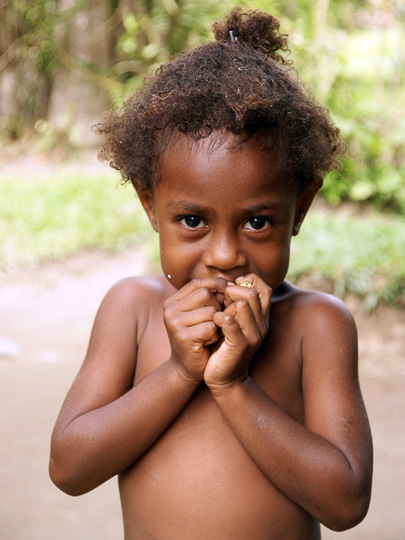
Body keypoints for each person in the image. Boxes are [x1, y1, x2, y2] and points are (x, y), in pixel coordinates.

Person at [49, 7, 373, 539]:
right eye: (193, 220)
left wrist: (233, 384)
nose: (224, 255)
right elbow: (69, 468)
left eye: (258, 221)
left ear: (303, 207)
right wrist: (178, 372)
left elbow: (345, 504)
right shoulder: (131, 310)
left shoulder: (318, 325)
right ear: (150, 205)